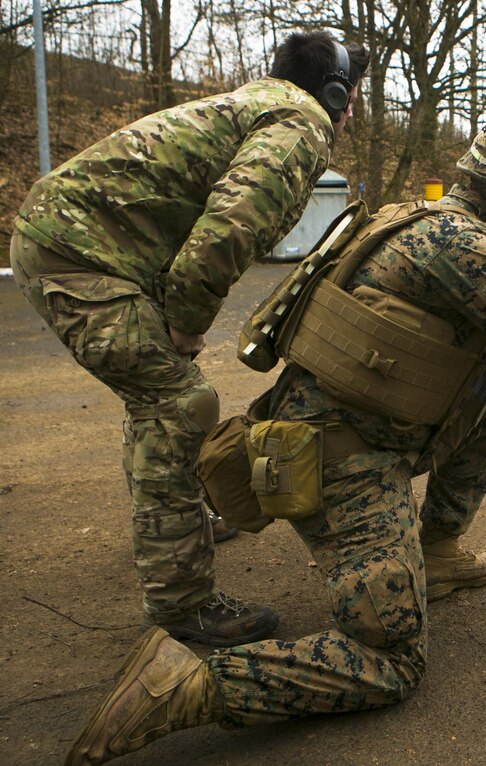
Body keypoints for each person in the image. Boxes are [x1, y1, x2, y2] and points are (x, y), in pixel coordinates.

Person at [63, 111, 486, 765]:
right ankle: (185, 684)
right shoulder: (465, 248)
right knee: (390, 661)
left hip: (348, 426)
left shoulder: (418, 219)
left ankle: (436, 553)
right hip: (337, 460)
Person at [9, 30, 370, 647]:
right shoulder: (300, 123)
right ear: (336, 90)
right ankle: (182, 602)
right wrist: (186, 321)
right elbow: (232, 224)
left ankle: (176, 518)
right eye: (354, 94)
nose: (354, 109)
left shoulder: (258, 103)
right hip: (80, 256)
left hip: (83, 244)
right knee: (179, 405)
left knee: (163, 401)